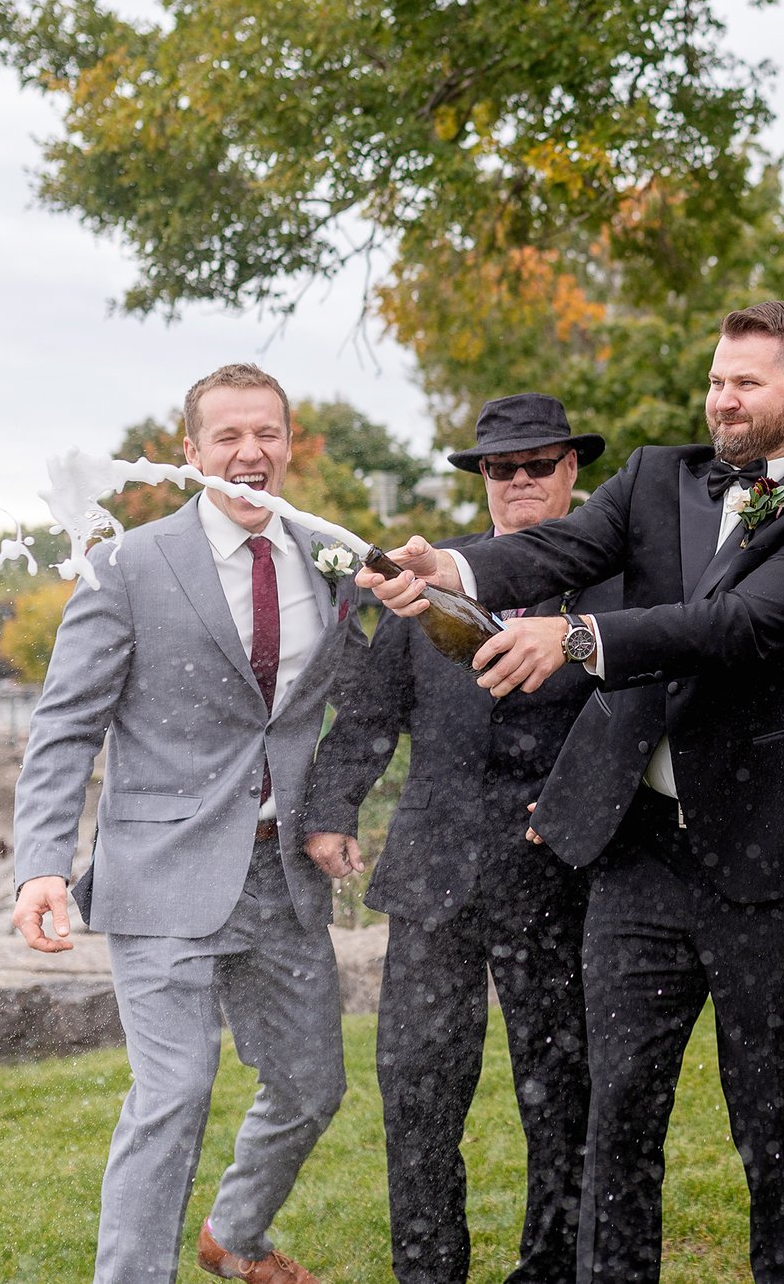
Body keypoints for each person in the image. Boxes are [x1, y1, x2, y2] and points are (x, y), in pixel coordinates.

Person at [361, 300, 784, 1284]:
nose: (723, 397)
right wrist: (450, 564)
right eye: (718, 378)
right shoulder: (653, 476)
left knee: (774, 1117)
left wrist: (580, 640)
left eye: (748, 381)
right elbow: (555, 552)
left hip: (767, 862)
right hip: (635, 855)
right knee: (616, 1116)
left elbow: (735, 626)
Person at [10, 364, 352, 1284]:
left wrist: (334, 809)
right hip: (160, 870)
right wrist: (40, 861)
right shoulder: (127, 562)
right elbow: (66, 721)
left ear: (289, 444)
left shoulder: (329, 559)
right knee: (174, 1093)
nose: (251, 454)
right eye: (229, 437)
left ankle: (233, 1233)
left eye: (268, 434)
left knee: (314, 1084)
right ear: (192, 453)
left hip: (283, 873)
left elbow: (344, 704)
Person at [302, 394, 618, 1284]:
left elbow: (638, 724)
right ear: (483, 479)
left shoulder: (613, 588)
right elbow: (369, 715)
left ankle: (553, 1268)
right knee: (418, 1094)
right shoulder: (426, 583)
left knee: (563, 1096)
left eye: (538, 464)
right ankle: (429, 1270)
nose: (519, 480)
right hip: (434, 880)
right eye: (500, 467)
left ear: (570, 471)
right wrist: (331, 810)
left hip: (561, 879)